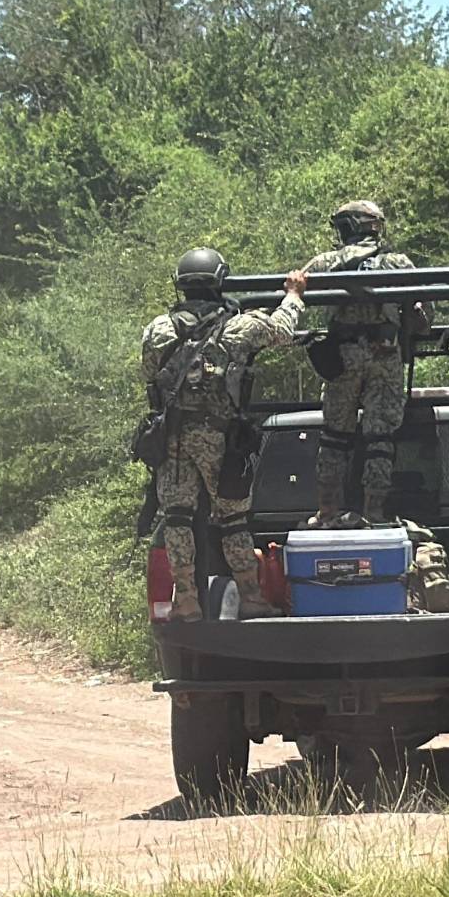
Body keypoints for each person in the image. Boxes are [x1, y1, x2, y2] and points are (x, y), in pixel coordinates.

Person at [141, 249, 308, 621]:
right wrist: (293, 295)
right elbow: (282, 331)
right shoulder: (239, 326)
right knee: (233, 519)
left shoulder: (158, 329)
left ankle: (186, 601)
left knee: (178, 517)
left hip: (173, 440)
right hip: (220, 438)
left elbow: (149, 371)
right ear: (220, 281)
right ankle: (250, 596)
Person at [300, 200, 428, 527]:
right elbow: (421, 318)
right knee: (380, 437)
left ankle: (327, 511)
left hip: (341, 358)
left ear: (347, 229)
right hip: (385, 356)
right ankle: (374, 511)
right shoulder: (398, 263)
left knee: (333, 435)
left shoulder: (324, 263)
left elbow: (293, 291)